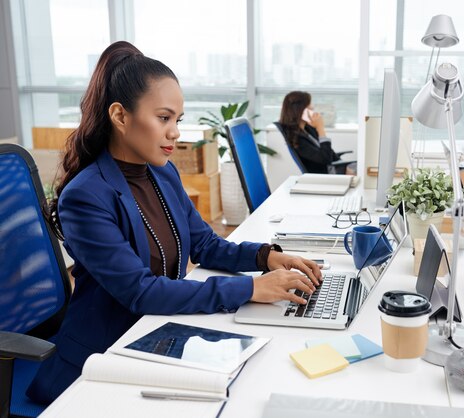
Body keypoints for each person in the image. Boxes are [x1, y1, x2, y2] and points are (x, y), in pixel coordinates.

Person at [27, 41, 321, 404]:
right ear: (120, 116)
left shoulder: (162, 174)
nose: (175, 132)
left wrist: (266, 258)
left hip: (156, 336)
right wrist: (250, 290)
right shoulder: (86, 196)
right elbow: (141, 291)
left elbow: (205, 245)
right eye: (163, 118)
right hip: (102, 361)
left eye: (177, 120)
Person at [278, 91, 343, 174]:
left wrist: (344, 165)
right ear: (299, 109)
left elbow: (329, 153)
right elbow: (325, 159)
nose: (312, 108)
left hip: (335, 168)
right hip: (327, 174)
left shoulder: (307, 129)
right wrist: (320, 128)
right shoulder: (297, 139)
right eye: (308, 105)